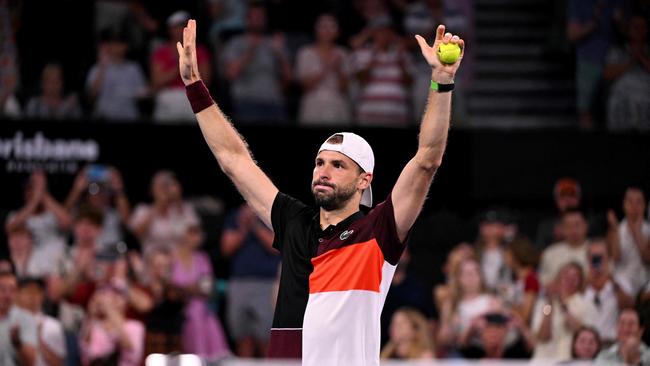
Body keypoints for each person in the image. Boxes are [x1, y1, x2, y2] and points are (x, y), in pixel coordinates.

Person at [178, 18, 463, 364]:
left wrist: (442, 82)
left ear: (364, 180)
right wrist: (194, 86)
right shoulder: (294, 222)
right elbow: (233, 159)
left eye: (338, 165)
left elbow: (427, 160)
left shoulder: (380, 230)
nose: (323, 171)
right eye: (319, 162)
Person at [221, 203, 277, 357]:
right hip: (239, 283)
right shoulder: (236, 215)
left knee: (266, 336)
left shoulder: (273, 215)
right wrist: (244, 228)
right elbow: (226, 248)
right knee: (242, 334)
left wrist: (255, 226)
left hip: (266, 284)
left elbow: (277, 246)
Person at [171, 220, 230, 360]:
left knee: (204, 314)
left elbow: (207, 287)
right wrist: (189, 288)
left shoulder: (202, 258)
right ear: (182, 234)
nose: (196, 237)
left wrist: (188, 288)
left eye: (198, 233)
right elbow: (170, 287)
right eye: (191, 232)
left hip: (201, 308)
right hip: (176, 309)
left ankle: (209, 357)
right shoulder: (172, 257)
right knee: (195, 314)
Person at [151, 11, 212, 123]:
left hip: (193, 97)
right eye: (176, 27)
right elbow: (157, 82)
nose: (180, 30)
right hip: (168, 97)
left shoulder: (200, 51)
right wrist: (181, 66)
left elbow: (206, 80)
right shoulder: (160, 52)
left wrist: (188, 69)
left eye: (183, 27)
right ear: (169, 30)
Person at [531, 262, 597, 361]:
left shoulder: (586, 304)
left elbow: (584, 334)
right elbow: (542, 336)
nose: (569, 279)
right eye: (566, 274)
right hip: (543, 360)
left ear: (580, 281)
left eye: (575, 276)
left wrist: (562, 305)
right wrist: (549, 303)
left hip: (569, 361)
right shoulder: (545, 304)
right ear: (558, 278)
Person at [295, 14, 352, 125]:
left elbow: (344, 88)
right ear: (316, 30)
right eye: (323, 26)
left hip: (337, 107)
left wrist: (338, 69)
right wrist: (328, 67)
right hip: (313, 108)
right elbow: (306, 87)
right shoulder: (305, 53)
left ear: (337, 31)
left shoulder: (343, 53)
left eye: (331, 26)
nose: (327, 30)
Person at [582, 239, 633, 345]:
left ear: (609, 258)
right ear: (588, 259)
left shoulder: (620, 281)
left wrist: (612, 280)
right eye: (594, 258)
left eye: (601, 257)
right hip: (586, 345)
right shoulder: (581, 282)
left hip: (612, 343)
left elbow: (628, 307)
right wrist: (586, 282)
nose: (597, 261)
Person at [607, 187, 650, 296]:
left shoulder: (648, 229)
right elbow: (616, 258)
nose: (634, 206)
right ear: (624, 204)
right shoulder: (616, 229)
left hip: (645, 278)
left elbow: (647, 259)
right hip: (623, 278)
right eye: (630, 201)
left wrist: (637, 232)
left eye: (639, 202)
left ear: (645, 205)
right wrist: (615, 230)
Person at [16, 277, 66, 366]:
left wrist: (38, 339)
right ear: (17, 295)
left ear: (42, 296)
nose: (32, 296)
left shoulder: (53, 326)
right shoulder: (8, 322)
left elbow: (58, 363)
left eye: (36, 292)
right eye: (27, 292)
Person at [538, 209, 590, 287]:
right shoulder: (550, 252)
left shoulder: (598, 250)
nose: (573, 230)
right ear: (562, 228)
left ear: (586, 225)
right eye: (568, 226)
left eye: (577, 225)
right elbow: (542, 281)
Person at [0, 270, 37, 366]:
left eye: (12, 290)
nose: (7, 295)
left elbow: (31, 362)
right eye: (2, 289)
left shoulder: (26, 318)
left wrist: (17, 343)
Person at [535, 177, 582, 250]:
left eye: (571, 195)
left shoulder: (590, 222)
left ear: (578, 198)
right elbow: (539, 253)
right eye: (563, 196)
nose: (567, 200)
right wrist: (556, 239)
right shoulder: (547, 226)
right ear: (557, 200)